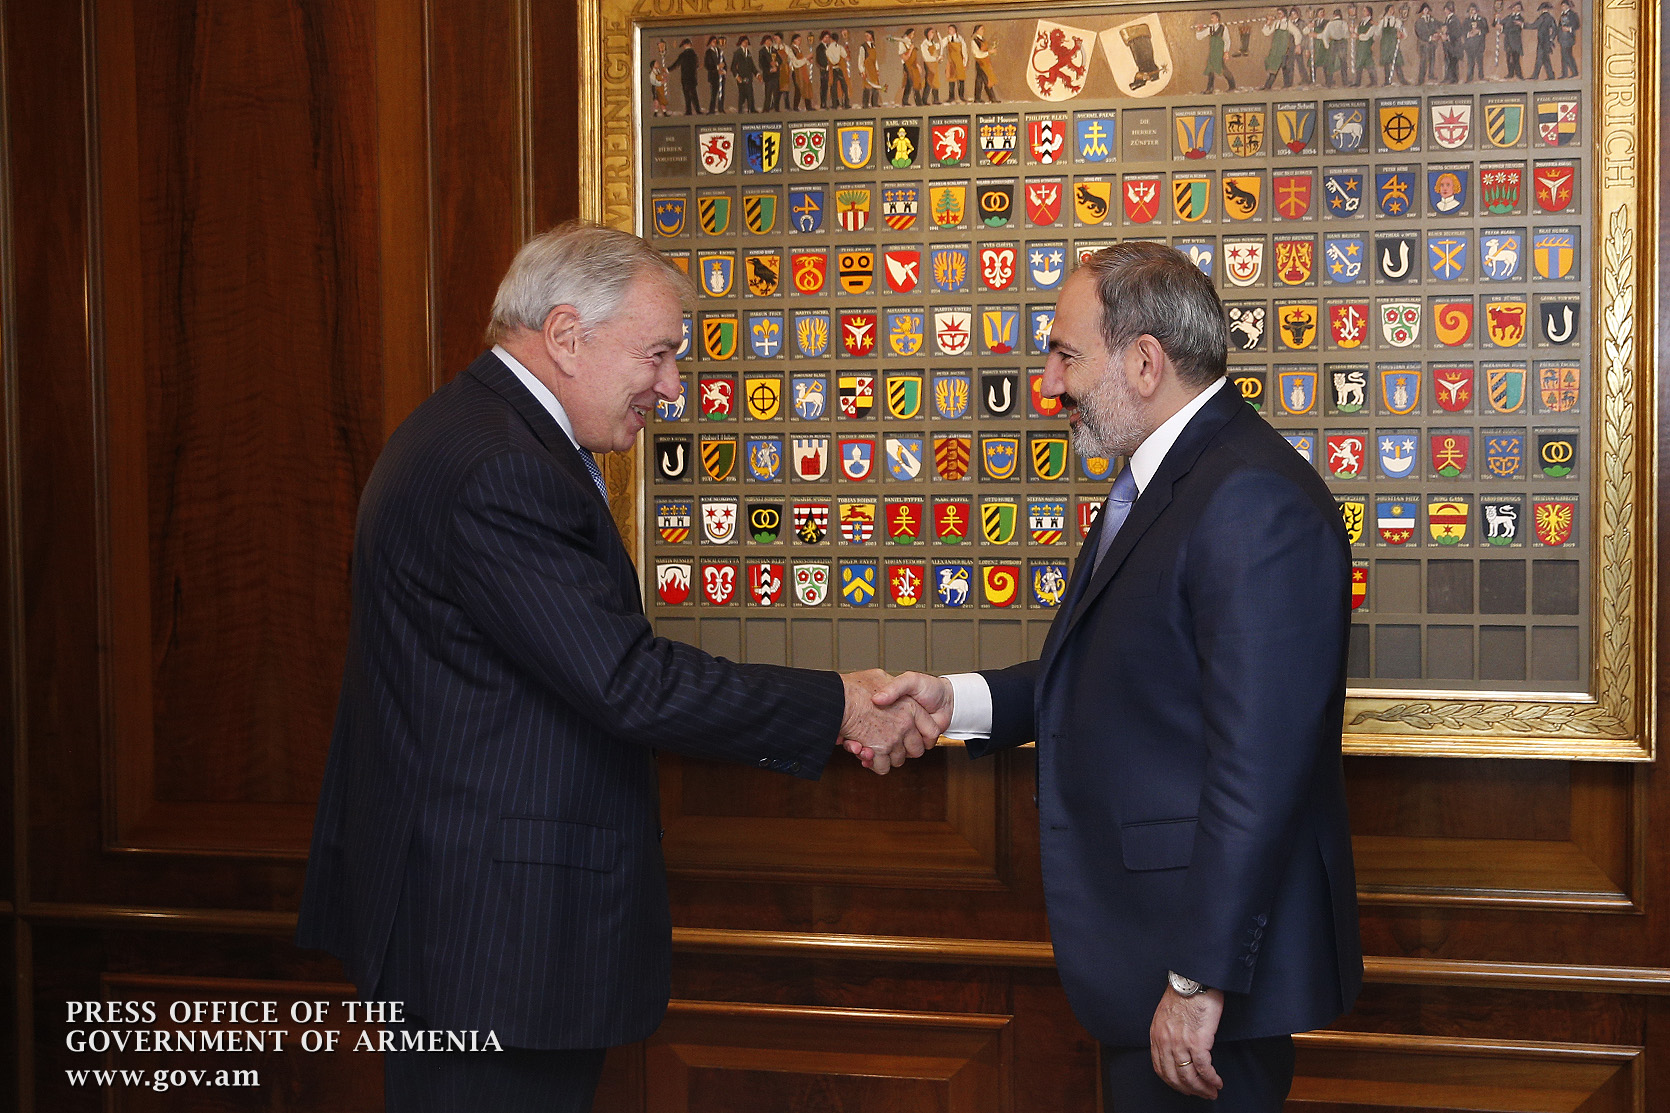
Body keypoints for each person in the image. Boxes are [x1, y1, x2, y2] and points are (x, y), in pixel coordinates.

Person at [297, 225, 938, 1113]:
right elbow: (627, 681)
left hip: (478, 932)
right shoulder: (501, 466)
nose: (672, 387)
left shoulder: (479, 431)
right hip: (492, 944)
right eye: (659, 354)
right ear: (566, 335)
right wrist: (840, 704)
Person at [863, 242, 1363, 1110]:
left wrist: (1197, 978)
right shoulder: (1174, 477)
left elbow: (1260, 768)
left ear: (1144, 361)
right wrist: (956, 701)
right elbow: (1117, 673)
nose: (1048, 384)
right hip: (1151, 961)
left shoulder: (1250, 497)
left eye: (1065, 355)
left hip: (1203, 985)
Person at [1198, 12, 1237, 92]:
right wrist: (1199, 29)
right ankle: (1210, 88)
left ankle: (1232, 86)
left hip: (1219, 52)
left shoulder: (1223, 28)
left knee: (1222, 69)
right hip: (1212, 52)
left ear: (1217, 18)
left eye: (1213, 17)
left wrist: (1226, 52)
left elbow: (1227, 40)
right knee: (1210, 69)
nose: (1211, 19)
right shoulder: (1210, 29)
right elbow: (1200, 37)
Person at [1260, 8, 1294, 89]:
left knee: (1284, 68)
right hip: (1275, 50)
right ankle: (1268, 86)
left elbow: (1297, 34)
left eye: (1280, 13)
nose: (1278, 15)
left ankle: (1286, 86)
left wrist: (1297, 45)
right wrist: (1268, 23)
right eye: (1278, 13)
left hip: (1284, 50)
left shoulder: (1288, 24)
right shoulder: (1276, 23)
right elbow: (1266, 33)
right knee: (1273, 68)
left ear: (1284, 14)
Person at [891, 27, 922, 106]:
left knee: (910, 83)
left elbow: (914, 57)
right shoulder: (902, 43)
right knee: (913, 82)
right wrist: (911, 49)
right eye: (912, 34)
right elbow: (905, 58)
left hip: (913, 65)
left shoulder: (910, 42)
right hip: (907, 65)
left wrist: (917, 65)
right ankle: (918, 102)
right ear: (909, 34)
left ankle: (905, 101)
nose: (913, 35)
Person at [971, 23, 1001, 102]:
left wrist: (990, 51)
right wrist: (989, 52)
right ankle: (992, 98)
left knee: (979, 80)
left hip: (985, 62)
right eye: (981, 29)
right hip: (980, 62)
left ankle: (977, 98)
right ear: (977, 31)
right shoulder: (974, 41)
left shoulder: (983, 39)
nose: (983, 31)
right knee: (987, 79)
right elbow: (977, 54)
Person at [1380, 4, 1408, 82]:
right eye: (1390, 9)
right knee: (1386, 63)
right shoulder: (1382, 21)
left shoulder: (1397, 21)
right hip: (1385, 44)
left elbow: (1405, 34)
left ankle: (1402, 80)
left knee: (1397, 61)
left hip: (1393, 44)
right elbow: (1377, 32)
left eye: (1393, 9)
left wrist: (1401, 34)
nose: (1392, 11)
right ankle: (1387, 80)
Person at [673, 37, 701, 115]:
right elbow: (697, 65)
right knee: (694, 94)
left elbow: (676, 64)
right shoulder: (694, 54)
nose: (684, 46)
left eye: (684, 45)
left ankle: (689, 111)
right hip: (692, 77)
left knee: (687, 95)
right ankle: (698, 110)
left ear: (685, 45)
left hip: (685, 78)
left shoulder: (683, 55)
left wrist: (668, 69)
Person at [1498, 0, 1525, 78]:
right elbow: (1498, 23)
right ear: (1513, 8)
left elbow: (1514, 29)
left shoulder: (1520, 18)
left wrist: (1502, 29)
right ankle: (1510, 73)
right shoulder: (1508, 17)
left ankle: (1519, 74)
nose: (1518, 8)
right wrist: (1497, 19)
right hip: (1508, 41)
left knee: (1516, 58)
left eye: (1519, 7)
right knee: (1509, 58)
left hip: (1515, 42)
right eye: (1516, 7)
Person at [1529, 1, 1557, 78]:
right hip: (1546, 41)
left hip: (1542, 41)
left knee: (1540, 58)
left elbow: (1534, 25)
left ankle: (1535, 76)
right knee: (1545, 59)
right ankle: (1550, 75)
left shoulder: (1542, 17)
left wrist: (1523, 25)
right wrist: (1551, 39)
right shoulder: (1551, 18)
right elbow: (1555, 30)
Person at [1352, 4, 1378, 84]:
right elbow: (1356, 31)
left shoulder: (1372, 24)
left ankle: (1374, 81)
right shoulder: (1361, 23)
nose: (1363, 12)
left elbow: (1367, 36)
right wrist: (1353, 30)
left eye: (1364, 11)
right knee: (1359, 62)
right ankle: (1357, 82)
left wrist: (1358, 36)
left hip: (1366, 46)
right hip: (1360, 46)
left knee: (1368, 63)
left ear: (1369, 12)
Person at [731, 34, 756, 114]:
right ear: (741, 42)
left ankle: (751, 109)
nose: (746, 44)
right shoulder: (737, 53)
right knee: (742, 94)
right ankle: (740, 110)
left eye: (747, 42)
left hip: (749, 77)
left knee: (750, 93)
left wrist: (757, 74)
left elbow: (752, 65)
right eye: (744, 42)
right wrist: (737, 76)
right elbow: (733, 67)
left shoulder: (748, 52)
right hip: (741, 77)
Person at [1414, 2, 1439, 81]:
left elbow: (1435, 27)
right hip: (1423, 44)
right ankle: (1421, 78)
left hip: (1432, 44)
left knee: (1432, 59)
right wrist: (1430, 38)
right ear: (1422, 11)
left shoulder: (1431, 19)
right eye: (1425, 10)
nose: (1426, 11)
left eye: (1427, 10)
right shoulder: (1419, 21)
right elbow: (1420, 33)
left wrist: (1435, 34)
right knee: (1424, 60)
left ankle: (1431, 75)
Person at [944, 23, 969, 101]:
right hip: (951, 62)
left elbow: (964, 51)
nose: (949, 31)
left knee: (961, 79)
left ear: (954, 30)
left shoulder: (960, 39)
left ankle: (961, 96)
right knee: (951, 79)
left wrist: (965, 62)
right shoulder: (947, 38)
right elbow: (941, 45)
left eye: (951, 29)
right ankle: (951, 97)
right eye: (949, 29)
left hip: (959, 61)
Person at [1463, 3, 1488, 80]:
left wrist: (1478, 31)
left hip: (1479, 44)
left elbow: (1486, 30)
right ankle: (1469, 78)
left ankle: (1481, 76)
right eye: (1470, 10)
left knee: (1479, 61)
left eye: (1473, 9)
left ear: (1476, 10)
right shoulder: (1466, 21)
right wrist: (1469, 34)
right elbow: (1463, 31)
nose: (1471, 11)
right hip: (1470, 45)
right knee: (1470, 62)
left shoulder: (1482, 19)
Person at [859, 29, 884, 107]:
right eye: (865, 35)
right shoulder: (863, 47)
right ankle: (865, 104)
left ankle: (874, 103)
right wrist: (862, 71)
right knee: (867, 86)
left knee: (875, 86)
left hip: (873, 69)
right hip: (867, 69)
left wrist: (877, 69)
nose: (866, 37)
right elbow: (861, 60)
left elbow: (875, 60)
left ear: (871, 36)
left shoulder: (873, 46)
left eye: (867, 35)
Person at [1441, 1, 1464, 82]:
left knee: (1453, 62)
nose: (1444, 11)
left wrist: (1447, 36)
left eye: (1446, 9)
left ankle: (1454, 78)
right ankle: (1447, 77)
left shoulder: (1455, 19)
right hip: (1448, 45)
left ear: (1449, 9)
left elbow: (1457, 33)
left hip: (1454, 45)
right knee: (1448, 61)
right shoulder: (1447, 19)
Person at [758, 32, 782, 111]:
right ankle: (766, 109)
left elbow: (780, 60)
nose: (769, 42)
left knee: (776, 94)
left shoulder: (774, 50)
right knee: (768, 94)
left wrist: (776, 64)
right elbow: (761, 64)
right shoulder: (762, 51)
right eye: (767, 41)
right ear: (764, 42)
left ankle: (776, 109)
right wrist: (770, 69)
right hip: (768, 76)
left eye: (770, 41)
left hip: (775, 75)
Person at [828, 29, 852, 108]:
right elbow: (846, 57)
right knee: (844, 86)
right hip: (839, 69)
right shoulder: (840, 47)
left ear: (831, 39)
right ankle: (846, 103)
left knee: (833, 87)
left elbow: (830, 59)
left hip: (833, 69)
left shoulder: (828, 49)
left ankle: (834, 104)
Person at [702, 34, 726, 114]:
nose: (715, 43)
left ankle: (721, 108)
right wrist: (717, 67)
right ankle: (711, 110)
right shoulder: (708, 52)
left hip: (721, 76)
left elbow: (724, 63)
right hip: (713, 76)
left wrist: (724, 70)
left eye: (716, 41)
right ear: (710, 42)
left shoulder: (720, 51)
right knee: (714, 93)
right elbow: (707, 65)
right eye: (713, 41)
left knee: (721, 93)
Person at [648, 40, 670, 118]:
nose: (658, 64)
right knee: (657, 100)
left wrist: (663, 77)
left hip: (660, 88)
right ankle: (656, 112)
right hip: (656, 88)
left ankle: (664, 112)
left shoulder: (658, 71)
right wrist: (661, 83)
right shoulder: (652, 73)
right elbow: (653, 81)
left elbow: (660, 76)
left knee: (662, 100)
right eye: (656, 63)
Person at [1556, 0, 1579, 76]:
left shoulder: (1573, 14)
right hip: (1562, 38)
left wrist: (1569, 29)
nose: (1562, 7)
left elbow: (1577, 25)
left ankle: (1574, 72)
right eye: (1562, 6)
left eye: (1563, 5)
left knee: (1568, 55)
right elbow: (1559, 27)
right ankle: (1564, 73)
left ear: (1567, 6)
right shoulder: (1562, 15)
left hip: (1569, 38)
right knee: (1563, 56)